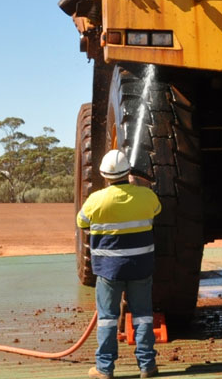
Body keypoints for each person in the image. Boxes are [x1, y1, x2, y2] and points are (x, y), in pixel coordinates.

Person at [77, 149, 162, 379]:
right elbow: (157, 210)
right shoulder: (146, 196)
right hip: (140, 267)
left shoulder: (96, 200)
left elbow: (81, 222)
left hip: (108, 271)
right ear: (129, 173)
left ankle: (104, 369)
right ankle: (147, 366)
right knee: (143, 316)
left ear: (105, 175)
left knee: (107, 318)